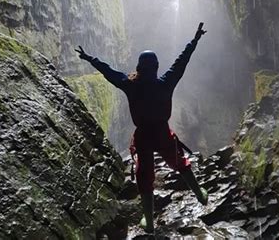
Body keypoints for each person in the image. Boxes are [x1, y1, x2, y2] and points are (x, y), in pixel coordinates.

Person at [76, 23, 208, 234]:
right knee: (179, 161)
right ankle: (199, 194)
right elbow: (181, 62)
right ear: (156, 67)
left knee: (144, 176)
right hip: (163, 133)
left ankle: (149, 221)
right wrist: (195, 40)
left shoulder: (130, 85)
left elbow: (109, 71)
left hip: (144, 136)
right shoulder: (166, 82)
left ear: (139, 67)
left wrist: (89, 58)